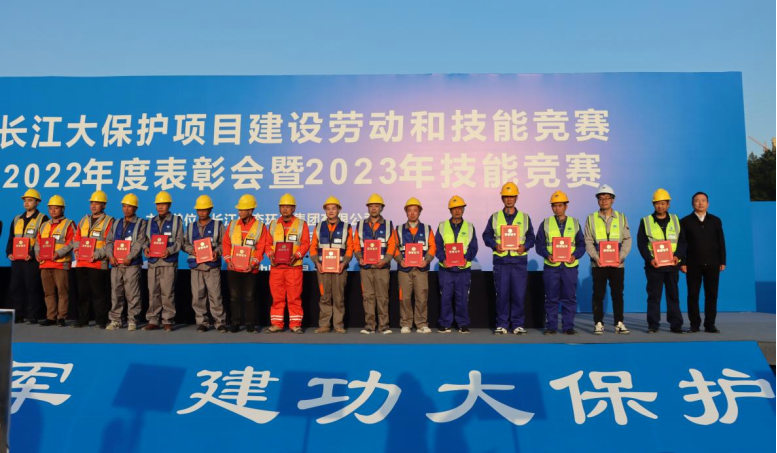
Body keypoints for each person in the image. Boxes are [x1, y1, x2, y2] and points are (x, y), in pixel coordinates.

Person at [482, 182, 535, 335]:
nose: (509, 199)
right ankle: (502, 324)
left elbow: (531, 237)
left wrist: (525, 247)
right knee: (502, 294)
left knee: (518, 294)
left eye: (512, 196)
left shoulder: (524, 217)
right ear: (502, 198)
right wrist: (495, 245)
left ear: (516, 198)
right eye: (506, 196)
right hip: (502, 262)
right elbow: (486, 235)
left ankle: (518, 324)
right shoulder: (495, 217)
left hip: (519, 262)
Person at [637, 188, 688, 334]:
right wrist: (650, 259)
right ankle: (653, 325)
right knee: (654, 297)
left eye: (663, 203)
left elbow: (683, 242)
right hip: (654, 267)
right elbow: (642, 244)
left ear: (668, 204)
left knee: (673, 296)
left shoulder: (676, 220)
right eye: (657, 203)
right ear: (653, 204)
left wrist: (677, 256)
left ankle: (676, 324)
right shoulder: (646, 221)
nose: (660, 206)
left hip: (672, 265)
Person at [535, 191, 586, 335]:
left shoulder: (574, 223)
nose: (557, 208)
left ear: (566, 206)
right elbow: (539, 245)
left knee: (569, 298)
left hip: (569, 267)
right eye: (554, 206)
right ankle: (551, 326)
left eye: (560, 205)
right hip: (552, 267)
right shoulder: (545, 223)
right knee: (551, 298)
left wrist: (575, 256)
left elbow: (582, 245)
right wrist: (547, 255)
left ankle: (568, 327)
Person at [584, 184, 632, 335]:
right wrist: (596, 257)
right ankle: (598, 323)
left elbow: (627, 239)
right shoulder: (591, 218)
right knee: (598, 294)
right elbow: (588, 241)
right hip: (598, 264)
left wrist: (621, 257)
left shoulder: (621, 217)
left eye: (607, 197)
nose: (604, 200)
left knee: (617, 294)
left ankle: (619, 323)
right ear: (597, 200)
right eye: (601, 198)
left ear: (613, 200)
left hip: (617, 264)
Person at [680, 192, 726, 333]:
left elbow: (721, 242)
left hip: (713, 263)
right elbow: (682, 243)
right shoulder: (685, 221)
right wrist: (683, 262)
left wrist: (722, 260)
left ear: (708, 203)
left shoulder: (715, 220)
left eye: (703, 200)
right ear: (692, 203)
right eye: (697, 200)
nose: (700, 203)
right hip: (692, 264)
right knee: (693, 295)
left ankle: (710, 324)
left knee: (712, 295)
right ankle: (694, 324)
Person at [265, 194, 310, 334]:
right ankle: (277, 324)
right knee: (277, 297)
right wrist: (271, 254)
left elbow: (305, 243)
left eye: (288, 206)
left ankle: (295, 324)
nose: (285, 209)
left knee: (294, 297)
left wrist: (296, 255)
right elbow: (267, 244)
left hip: (293, 267)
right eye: (282, 206)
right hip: (276, 268)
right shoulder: (273, 224)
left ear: (294, 208)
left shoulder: (301, 224)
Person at [223, 194, 268, 333]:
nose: (239, 212)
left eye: (242, 209)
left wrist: (253, 263)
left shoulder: (260, 226)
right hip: (233, 268)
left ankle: (250, 324)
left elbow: (261, 247)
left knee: (249, 297)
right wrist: (228, 260)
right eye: (239, 209)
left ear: (250, 210)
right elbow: (226, 243)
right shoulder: (232, 225)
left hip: (250, 269)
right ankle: (235, 323)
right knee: (234, 297)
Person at [353, 193, 397, 335]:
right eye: (371, 206)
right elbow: (356, 244)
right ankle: (369, 326)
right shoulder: (360, 225)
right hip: (365, 267)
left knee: (382, 297)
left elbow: (392, 245)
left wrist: (386, 260)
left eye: (376, 206)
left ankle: (384, 326)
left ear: (381, 208)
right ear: (368, 208)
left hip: (382, 267)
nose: (373, 208)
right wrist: (359, 257)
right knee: (368, 297)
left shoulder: (388, 225)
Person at [435, 195, 479, 334]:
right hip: (446, 269)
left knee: (462, 298)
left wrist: (467, 258)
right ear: (450, 210)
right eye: (454, 208)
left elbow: (473, 247)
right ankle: (445, 323)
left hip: (463, 269)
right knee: (445, 298)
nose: (457, 211)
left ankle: (463, 323)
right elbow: (437, 246)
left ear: (463, 209)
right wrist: (443, 259)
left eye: (460, 208)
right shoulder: (442, 226)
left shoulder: (470, 227)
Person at [184, 195, 227, 333]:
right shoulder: (190, 226)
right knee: (198, 296)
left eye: (204, 209)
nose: (201, 212)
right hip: (196, 266)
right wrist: (191, 250)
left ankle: (219, 322)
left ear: (210, 210)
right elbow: (184, 244)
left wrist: (217, 252)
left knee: (215, 295)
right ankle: (202, 322)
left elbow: (224, 243)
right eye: (199, 210)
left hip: (211, 266)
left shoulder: (218, 225)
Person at [310, 196, 353, 334]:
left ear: (339, 210)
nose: (331, 211)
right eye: (328, 209)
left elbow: (350, 248)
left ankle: (338, 325)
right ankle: (324, 325)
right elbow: (313, 247)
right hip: (322, 269)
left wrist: (344, 263)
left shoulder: (346, 227)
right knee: (324, 297)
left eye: (333, 208)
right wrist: (316, 262)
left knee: (339, 297)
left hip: (340, 268)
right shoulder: (318, 226)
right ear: (325, 211)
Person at [143, 191, 184, 331]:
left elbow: (180, 240)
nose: (160, 207)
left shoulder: (177, 220)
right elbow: (145, 240)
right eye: (158, 204)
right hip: (153, 262)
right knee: (153, 292)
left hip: (168, 262)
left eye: (163, 204)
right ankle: (153, 320)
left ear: (169, 205)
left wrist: (170, 250)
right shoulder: (150, 221)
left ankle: (168, 320)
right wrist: (145, 248)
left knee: (167, 293)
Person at [105, 194, 147, 331]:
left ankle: (132, 320)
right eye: (124, 206)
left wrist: (130, 256)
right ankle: (115, 320)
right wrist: (110, 256)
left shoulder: (141, 223)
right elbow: (109, 241)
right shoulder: (116, 222)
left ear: (135, 208)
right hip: (116, 263)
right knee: (116, 293)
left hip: (131, 264)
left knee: (132, 293)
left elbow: (140, 242)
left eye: (129, 206)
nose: (126, 209)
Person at [72, 191, 114, 329]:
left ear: (104, 205)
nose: (93, 206)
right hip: (82, 263)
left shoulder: (109, 221)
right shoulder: (84, 220)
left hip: (97, 264)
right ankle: (82, 320)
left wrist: (96, 255)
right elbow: (77, 238)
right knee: (83, 294)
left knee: (99, 294)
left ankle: (101, 320)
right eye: (92, 203)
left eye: (97, 203)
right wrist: (76, 250)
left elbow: (109, 243)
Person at [394, 197, 435, 334]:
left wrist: (427, 260)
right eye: (409, 210)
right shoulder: (399, 229)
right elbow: (393, 247)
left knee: (421, 297)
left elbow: (432, 247)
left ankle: (421, 324)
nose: (412, 213)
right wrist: (399, 260)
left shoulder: (427, 229)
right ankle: (405, 323)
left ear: (419, 212)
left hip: (421, 269)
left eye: (415, 210)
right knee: (404, 298)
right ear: (406, 212)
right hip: (404, 269)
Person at [6, 189, 48, 324]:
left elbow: (43, 240)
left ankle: (33, 315)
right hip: (17, 259)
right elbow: (11, 238)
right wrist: (9, 252)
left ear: (37, 202)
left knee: (32, 287)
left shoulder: (42, 219)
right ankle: (18, 315)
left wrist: (32, 254)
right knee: (16, 287)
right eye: (25, 200)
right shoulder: (17, 218)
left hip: (31, 259)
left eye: (30, 200)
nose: (26, 203)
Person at [34, 195, 75, 327]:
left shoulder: (69, 224)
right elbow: (38, 242)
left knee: (62, 291)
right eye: (50, 208)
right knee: (48, 292)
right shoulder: (44, 225)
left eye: (56, 208)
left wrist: (59, 253)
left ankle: (61, 317)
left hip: (60, 263)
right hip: (45, 263)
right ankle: (50, 317)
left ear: (62, 209)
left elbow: (72, 241)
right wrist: (37, 253)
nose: (53, 211)